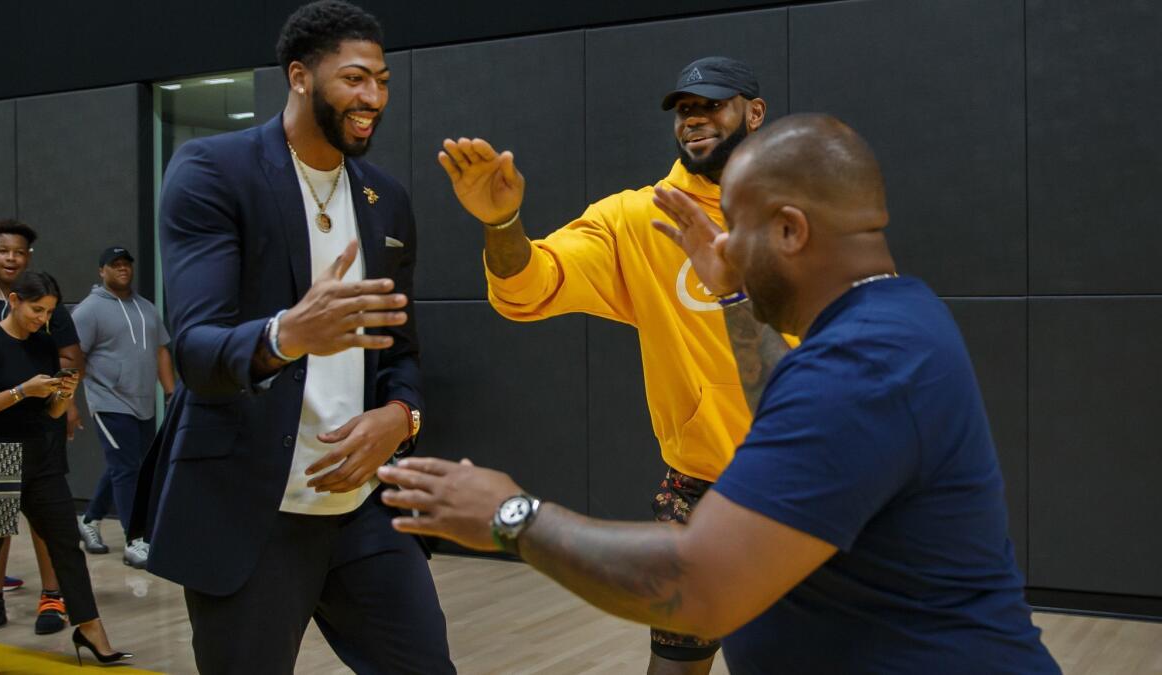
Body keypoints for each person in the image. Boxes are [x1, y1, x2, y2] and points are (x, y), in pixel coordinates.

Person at [380, 114, 1062, 674]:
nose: (723, 243)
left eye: (736, 226)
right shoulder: (893, 315)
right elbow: (781, 392)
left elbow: (699, 586)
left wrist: (509, 514)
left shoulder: (861, 367)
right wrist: (734, 295)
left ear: (791, 231)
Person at [436, 56, 791, 673]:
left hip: (809, 478)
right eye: (685, 110)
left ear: (754, 113)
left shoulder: (807, 208)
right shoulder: (636, 217)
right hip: (701, 487)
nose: (695, 120)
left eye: (712, 104)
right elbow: (530, 285)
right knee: (677, 663)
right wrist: (502, 223)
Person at [131, 2, 453, 672]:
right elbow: (195, 351)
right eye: (356, 79)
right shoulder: (214, 171)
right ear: (300, 76)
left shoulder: (386, 199)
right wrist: (287, 332)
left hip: (361, 508)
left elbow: (403, 355)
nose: (374, 98)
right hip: (250, 509)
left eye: (383, 81)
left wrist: (401, 417)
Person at [0, 272, 132, 673]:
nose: (43, 319)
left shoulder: (43, 345)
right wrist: (22, 390)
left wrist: (62, 396)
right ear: (16, 300)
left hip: (42, 458)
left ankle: (90, 629)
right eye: (37, 310)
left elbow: (49, 413)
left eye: (50, 313)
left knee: (66, 545)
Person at [0, 220, 82, 635]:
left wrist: (65, 399)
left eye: (19, 252)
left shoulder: (45, 299)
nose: (11, 257)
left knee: (44, 516)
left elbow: (69, 356)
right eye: (3, 251)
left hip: (38, 428)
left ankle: (52, 595)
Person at [72, 246, 174, 567]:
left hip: (142, 403)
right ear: (101, 271)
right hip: (108, 402)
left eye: (126, 264)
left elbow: (160, 352)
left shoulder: (146, 308)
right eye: (114, 265)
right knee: (127, 468)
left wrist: (172, 393)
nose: (122, 269)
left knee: (130, 466)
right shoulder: (89, 310)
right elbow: (74, 357)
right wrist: (85, 395)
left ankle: (89, 519)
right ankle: (135, 539)